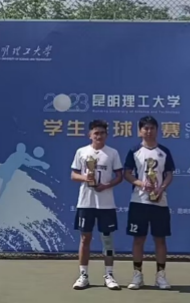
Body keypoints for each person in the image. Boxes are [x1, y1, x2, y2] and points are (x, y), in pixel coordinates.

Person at [70, 119, 124, 290]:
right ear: (90, 135)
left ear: (106, 135)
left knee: (107, 239)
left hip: (106, 204)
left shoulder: (112, 153)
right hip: (86, 202)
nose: (99, 136)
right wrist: (86, 178)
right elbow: (74, 175)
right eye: (96, 133)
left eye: (102, 133)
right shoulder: (81, 152)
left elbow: (119, 176)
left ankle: (109, 275)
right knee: (85, 238)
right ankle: (83, 275)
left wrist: (106, 185)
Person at [124, 116, 175, 290]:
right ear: (140, 131)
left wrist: (162, 188)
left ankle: (160, 276)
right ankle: (137, 275)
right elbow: (127, 174)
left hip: (160, 202)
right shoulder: (134, 151)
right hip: (139, 201)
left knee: (160, 239)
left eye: (152, 128)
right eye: (145, 128)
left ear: (157, 130)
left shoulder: (164, 151)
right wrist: (140, 183)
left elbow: (169, 174)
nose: (149, 131)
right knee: (138, 239)